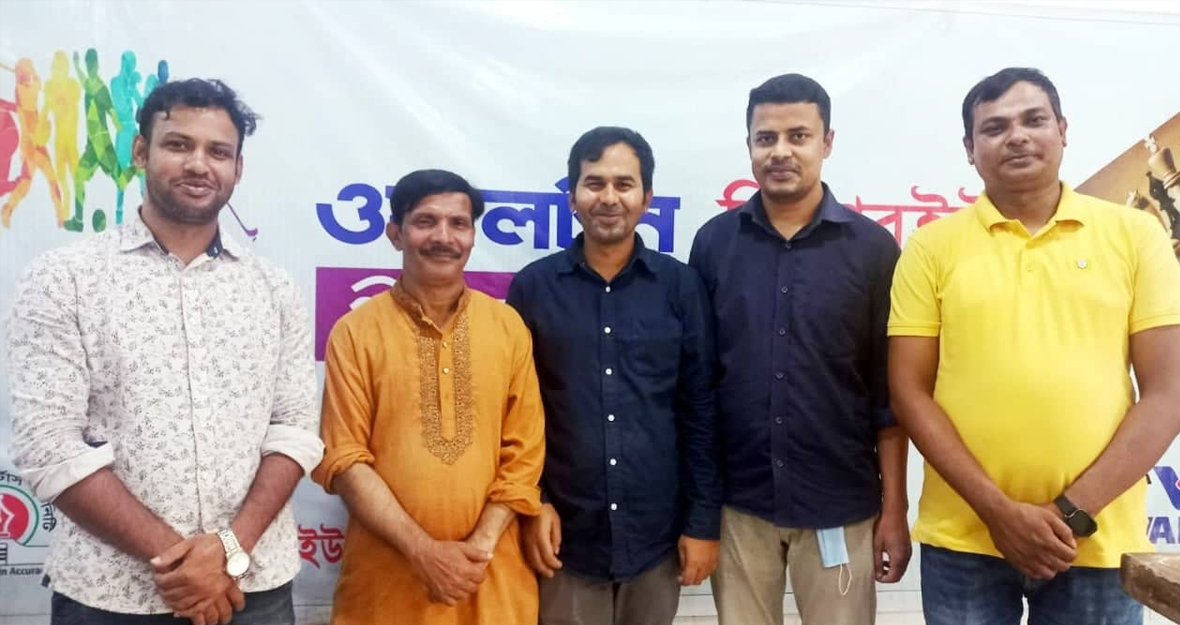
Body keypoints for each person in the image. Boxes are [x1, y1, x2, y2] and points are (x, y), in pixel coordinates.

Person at [8, 78, 321, 625]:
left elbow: (294, 429)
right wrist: (187, 566)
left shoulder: (274, 289)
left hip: (254, 587)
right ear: (140, 151)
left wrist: (228, 549)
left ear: (238, 169)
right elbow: (48, 445)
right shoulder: (64, 279)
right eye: (178, 145)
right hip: (110, 594)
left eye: (218, 152)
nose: (199, 164)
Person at [888, 67, 1180, 625]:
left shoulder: (1135, 235)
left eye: (1034, 120)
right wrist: (999, 513)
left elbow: (1170, 397)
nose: (1017, 137)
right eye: (995, 127)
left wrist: (1069, 513)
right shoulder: (932, 247)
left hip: (1095, 538)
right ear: (970, 149)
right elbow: (909, 392)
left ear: (1063, 130)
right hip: (964, 540)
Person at [688, 73, 909, 625]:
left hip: (840, 502)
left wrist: (895, 510)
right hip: (739, 505)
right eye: (766, 138)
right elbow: (698, 384)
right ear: (748, 145)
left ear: (827, 142)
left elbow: (888, 396)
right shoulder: (714, 243)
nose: (781, 151)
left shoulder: (873, 249)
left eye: (799, 136)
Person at [507, 126, 721, 625]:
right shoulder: (533, 288)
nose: (608, 198)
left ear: (647, 198)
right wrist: (534, 502)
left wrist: (703, 523)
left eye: (624, 184)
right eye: (594, 183)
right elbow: (513, 413)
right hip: (561, 538)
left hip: (656, 538)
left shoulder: (680, 287)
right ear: (572, 198)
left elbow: (701, 410)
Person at [312, 168, 545, 624]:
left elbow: (525, 454)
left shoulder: (507, 327)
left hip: (490, 579)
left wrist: (477, 549)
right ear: (395, 234)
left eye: (458, 223)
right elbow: (343, 458)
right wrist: (422, 552)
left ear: (472, 236)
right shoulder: (355, 332)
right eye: (425, 221)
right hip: (387, 584)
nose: (443, 237)